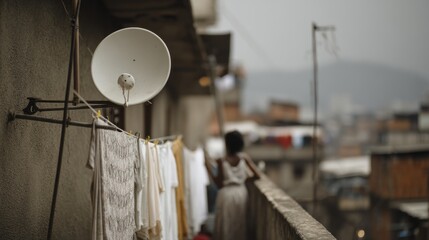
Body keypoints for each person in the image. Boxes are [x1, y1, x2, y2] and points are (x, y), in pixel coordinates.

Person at [205, 130, 260, 240]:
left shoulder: (222, 160)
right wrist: (242, 179)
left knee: (226, 223)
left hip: (226, 194)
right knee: (239, 223)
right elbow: (257, 175)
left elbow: (219, 184)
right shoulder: (244, 158)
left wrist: (208, 169)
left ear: (227, 144)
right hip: (241, 193)